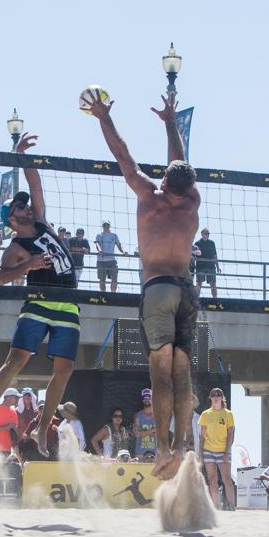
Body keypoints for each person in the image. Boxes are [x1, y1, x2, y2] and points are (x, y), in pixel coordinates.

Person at [89, 90, 199, 479]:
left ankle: (164, 448)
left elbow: (123, 156)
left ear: (165, 179)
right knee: (182, 370)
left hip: (158, 289)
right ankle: (185, 445)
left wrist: (104, 116)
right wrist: (170, 122)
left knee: (160, 371)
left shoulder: (148, 196)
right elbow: (179, 161)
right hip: (187, 290)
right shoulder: (192, 202)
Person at [0, 133, 78, 458]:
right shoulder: (16, 247)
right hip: (39, 302)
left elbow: (36, 184)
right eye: (20, 206)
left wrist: (22, 156)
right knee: (15, 361)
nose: (27, 206)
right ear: (12, 219)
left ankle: (43, 427)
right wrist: (28, 265)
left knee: (65, 369)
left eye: (26, 204)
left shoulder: (41, 222)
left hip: (68, 301)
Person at [199, 388, 236, 510]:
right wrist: (200, 453)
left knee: (227, 479)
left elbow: (231, 434)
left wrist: (227, 451)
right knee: (212, 479)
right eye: (213, 395)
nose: (216, 397)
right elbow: (202, 435)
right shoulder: (205, 414)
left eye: (218, 395)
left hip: (223, 451)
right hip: (208, 450)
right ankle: (216, 506)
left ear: (222, 398)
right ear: (210, 398)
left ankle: (231, 506)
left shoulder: (228, 414)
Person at [94, 220, 126, 293]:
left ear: (109, 226)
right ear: (102, 226)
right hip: (101, 261)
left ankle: (113, 295)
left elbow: (119, 245)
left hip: (111, 261)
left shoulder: (114, 235)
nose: (106, 226)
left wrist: (124, 251)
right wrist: (100, 250)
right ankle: (103, 295)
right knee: (102, 280)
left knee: (114, 279)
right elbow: (97, 244)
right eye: (104, 225)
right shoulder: (99, 235)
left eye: (107, 225)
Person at [192, 228, 219, 298]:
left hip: (211, 266)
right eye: (205, 233)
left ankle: (215, 300)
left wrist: (218, 267)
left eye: (208, 233)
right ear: (202, 234)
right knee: (199, 284)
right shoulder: (197, 243)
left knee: (213, 284)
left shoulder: (212, 243)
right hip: (200, 266)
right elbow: (194, 256)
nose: (207, 235)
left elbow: (215, 256)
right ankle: (196, 299)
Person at [132, 388, 157, 460]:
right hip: (140, 453)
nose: (147, 400)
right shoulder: (137, 416)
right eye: (144, 398)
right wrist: (153, 430)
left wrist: (143, 433)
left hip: (155, 453)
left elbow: (160, 435)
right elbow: (137, 434)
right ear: (142, 400)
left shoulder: (158, 416)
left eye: (149, 397)